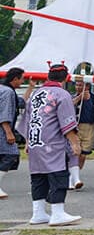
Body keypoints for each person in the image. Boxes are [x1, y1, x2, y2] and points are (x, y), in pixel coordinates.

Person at [19, 63, 81, 226]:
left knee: (38, 176)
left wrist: (28, 142)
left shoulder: (36, 94)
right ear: (66, 78)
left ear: (48, 76)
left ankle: (38, 213)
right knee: (58, 175)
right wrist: (75, 144)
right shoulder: (62, 94)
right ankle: (57, 213)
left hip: (35, 142)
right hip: (53, 143)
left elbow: (28, 120)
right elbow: (67, 122)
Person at [69, 75, 94, 189]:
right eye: (77, 85)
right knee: (74, 153)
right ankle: (72, 179)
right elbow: (67, 107)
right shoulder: (72, 97)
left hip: (90, 127)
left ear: (87, 86)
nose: (78, 87)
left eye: (80, 85)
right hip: (75, 128)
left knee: (83, 154)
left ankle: (74, 177)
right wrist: (79, 98)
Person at [0, 67, 31, 199]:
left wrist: (30, 88)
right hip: (3, 130)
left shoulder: (6, 89)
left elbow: (21, 103)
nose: (23, 81)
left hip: (3, 129)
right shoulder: (7, 92)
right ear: (15, 79)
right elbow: (4, 114)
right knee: (11, 155)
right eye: (22, 79)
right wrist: (8, 133)